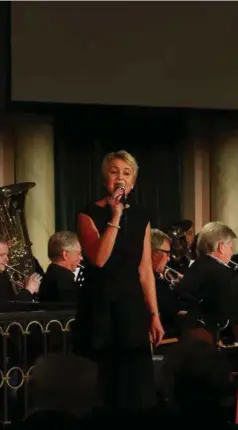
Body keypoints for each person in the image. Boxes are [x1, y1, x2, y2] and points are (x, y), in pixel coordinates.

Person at [75, 150, 164, 412]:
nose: (120, 178)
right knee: (105, 383)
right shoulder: (87, 214)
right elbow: (99, 259)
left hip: (131, 306)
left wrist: (155, 315)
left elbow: (145, 269)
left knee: (135, 383)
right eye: (114, 172)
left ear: (133, 182)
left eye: (126, 173)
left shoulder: (141, 217)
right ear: (106, 180)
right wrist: (115, 217)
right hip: (100, 306)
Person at [39, 231, 83, 304]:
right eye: (78, 253)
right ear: (65, 255)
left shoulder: (49, 276)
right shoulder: (65, 284)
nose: (81, 258)